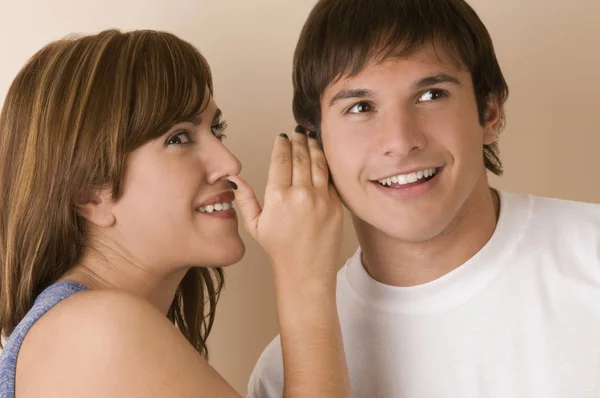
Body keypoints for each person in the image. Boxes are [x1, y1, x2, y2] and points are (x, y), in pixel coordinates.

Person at [248, 0, 600, 397]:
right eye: (360, 107)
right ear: (315, 140)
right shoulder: (288, 375)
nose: (400, 141)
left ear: (489, 111)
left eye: (431, 95)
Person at [0, 29, 350, 398]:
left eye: (216, 130)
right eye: (178, 138)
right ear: (90, 193)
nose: (229, 162)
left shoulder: (77, 331)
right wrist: (305, 276)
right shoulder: (94, 331)